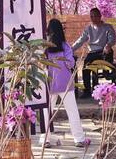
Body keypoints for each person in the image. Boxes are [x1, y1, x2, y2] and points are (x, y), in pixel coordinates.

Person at [42, 19, 89, 148]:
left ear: (48, 31)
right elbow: (70, 63)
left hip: (49, 83)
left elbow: (41, 64)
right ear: (60, 31)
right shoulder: (65, 46)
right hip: (65, 83)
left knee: (47, 111)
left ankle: (45, 139)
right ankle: (78, 139)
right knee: (72, 111)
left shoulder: (44, 46)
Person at [71, 7, 116, 98]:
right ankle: (87, 91)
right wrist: (70, 49)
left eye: (95, 16)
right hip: (93, 52)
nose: (93, 18)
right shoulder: (88, 29)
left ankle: (107, 75)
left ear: (100, 16)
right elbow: (80, 40)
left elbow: (112, 39)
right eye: (91, 16)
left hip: (104, 51)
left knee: (107, 56)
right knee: (85, 68)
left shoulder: (108, 27)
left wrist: (108, 45)